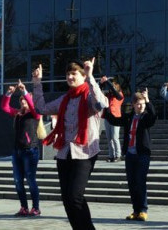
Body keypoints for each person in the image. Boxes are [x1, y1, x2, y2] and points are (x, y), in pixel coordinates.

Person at [31, 58, 108, 230]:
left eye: (74, 74)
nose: (70, 77)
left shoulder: (89, 96)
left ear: (82, 76)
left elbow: (101, 104)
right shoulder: (64, 99)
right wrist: (37, 82)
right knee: (68, 199)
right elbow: (41, 108)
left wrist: (90, 76)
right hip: (65, 153)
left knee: (75, 196)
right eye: (67, 74)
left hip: (85, 153)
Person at [104, 88, 157, 222]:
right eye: (138, 104)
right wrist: (105, 108)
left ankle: (143, 210)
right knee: (132, 183)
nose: (140, 106)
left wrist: (148, 101)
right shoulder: (128, 117)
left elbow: (153, 117)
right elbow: (114, 120)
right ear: (133, 104)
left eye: (142, 104)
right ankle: (135, 210)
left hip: (142, 153)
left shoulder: (145, 117)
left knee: (140, 181)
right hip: (130, 154)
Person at [0, 79, 42, 217]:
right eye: (21, 100)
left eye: (25, 99)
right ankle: (24, 207)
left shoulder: (35, 113)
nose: (23, 101)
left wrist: (24, 91)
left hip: (30, 150)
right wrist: (8, 93)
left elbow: (31, 104)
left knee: (31, 180)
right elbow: (4, 108)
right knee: (18, 181)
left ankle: (35, 208)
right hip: (17, 151)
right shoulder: (18, 114)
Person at [100, 76, 124, 162]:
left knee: (115, 137)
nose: (111, 88)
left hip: (116, 118)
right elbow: (99, 91)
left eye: (113, 86)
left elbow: (114, 90)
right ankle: (111, 155)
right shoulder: (108, 95)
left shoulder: (119, 95)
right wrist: (102, 83)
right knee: (109, 138)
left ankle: (118, 155)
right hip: (107, 118)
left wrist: (108, 82)